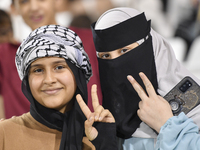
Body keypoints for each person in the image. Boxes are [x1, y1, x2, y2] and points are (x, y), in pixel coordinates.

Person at [91, 7, 200, 149]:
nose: (115, 64)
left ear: (150, 46)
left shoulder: (195, 104)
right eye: (105, 56)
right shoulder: (111, 114)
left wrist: (167, 125)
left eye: (124, 50)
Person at [0, 24, 116, 150]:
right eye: (38, 70)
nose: (49, 80)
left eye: (59, 67)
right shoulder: (5, 134)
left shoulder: (97, 135)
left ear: (77, 74)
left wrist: (105, 145)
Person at [0, 0, 102, 119]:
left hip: (93, 134)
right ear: (13, 9)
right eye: (24, 2)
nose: (34, 7)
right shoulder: (5, 56)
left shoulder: (92, 42)